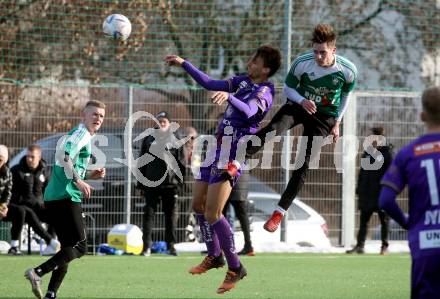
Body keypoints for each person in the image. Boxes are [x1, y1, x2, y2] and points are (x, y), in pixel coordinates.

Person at [164, 44, 281, 294]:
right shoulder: (242, 82)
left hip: (234, 152)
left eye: (255, 61)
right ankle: (214, 256)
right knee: (197, 205)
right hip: (215, 149)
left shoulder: (265, 90)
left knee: (213, 212)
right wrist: (184, 63)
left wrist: (230, 97)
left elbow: (250, 111)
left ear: (266, 69)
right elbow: (208, 83)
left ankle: (236, 267)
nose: (249, 63)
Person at [246, 24, 357, 233]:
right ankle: (236, 160)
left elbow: (345, 95)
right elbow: (288, 88)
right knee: (274, 129)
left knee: (303, 164)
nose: (318, 56)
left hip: (324, 117)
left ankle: (279, 211)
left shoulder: (348, 71)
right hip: (299, 105)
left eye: (322, 52)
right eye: (315, 51)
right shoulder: (302, 63)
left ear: (333, 50)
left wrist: (337, 122)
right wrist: (302, 100)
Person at [24, 100, 106, 299]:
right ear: (83, 116)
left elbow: (67, 164)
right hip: (66, 196)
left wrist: (88, 175)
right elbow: (63, 156)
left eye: (101, 116)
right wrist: (78, 180)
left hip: (56, 196)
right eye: (94, 114)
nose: (98, 118)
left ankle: (51, 293)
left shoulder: (81, 136)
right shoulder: (80, 134)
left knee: (69, 246)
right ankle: (38, 272)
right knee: (80, 247)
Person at [379, 87, 440, 299]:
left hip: (426, 244)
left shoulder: (409, 153)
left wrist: (407, 222)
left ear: (422, 116)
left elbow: (385, 200)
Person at [137, 111, 185, 257]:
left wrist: (181, 183)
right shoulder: (148, 139)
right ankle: (146, 247)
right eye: (159, 121)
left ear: (169, 123)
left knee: (170, 215)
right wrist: (140, 184)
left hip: (170, 185)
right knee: (148, 214)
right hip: (151, 183)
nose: (161, 123)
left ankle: (171, 246)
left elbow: (181, 163)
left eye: (164, 121)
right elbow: (141, 162)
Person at [0, 145, 59, 256]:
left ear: (39, 157)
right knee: (24, 211)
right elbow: (10, 193)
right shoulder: (16, 171)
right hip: (20, 207)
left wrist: (48, 204)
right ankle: (50, 241)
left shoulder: (45, 171)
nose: (29, 159)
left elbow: (49, 192)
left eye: (32, 157)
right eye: (27, 156)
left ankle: (50, 247)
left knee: (55, 212)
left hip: (38, 208)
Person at [346, 127, 393, 255]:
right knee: (363, 221)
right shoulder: (367, 153)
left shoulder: (387, 154)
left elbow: (391, 174)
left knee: (384, 221)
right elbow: (362, 173)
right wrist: (359, 188)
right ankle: (360, 246)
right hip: (367, 193)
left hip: (381, 193)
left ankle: (384, 246)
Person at [222, 169, 254, 256]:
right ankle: (248, 246)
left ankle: (222, 247)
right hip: (242, 181)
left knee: (219, 215)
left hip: (230, 179)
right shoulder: (247, 157)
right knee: (243, 216)